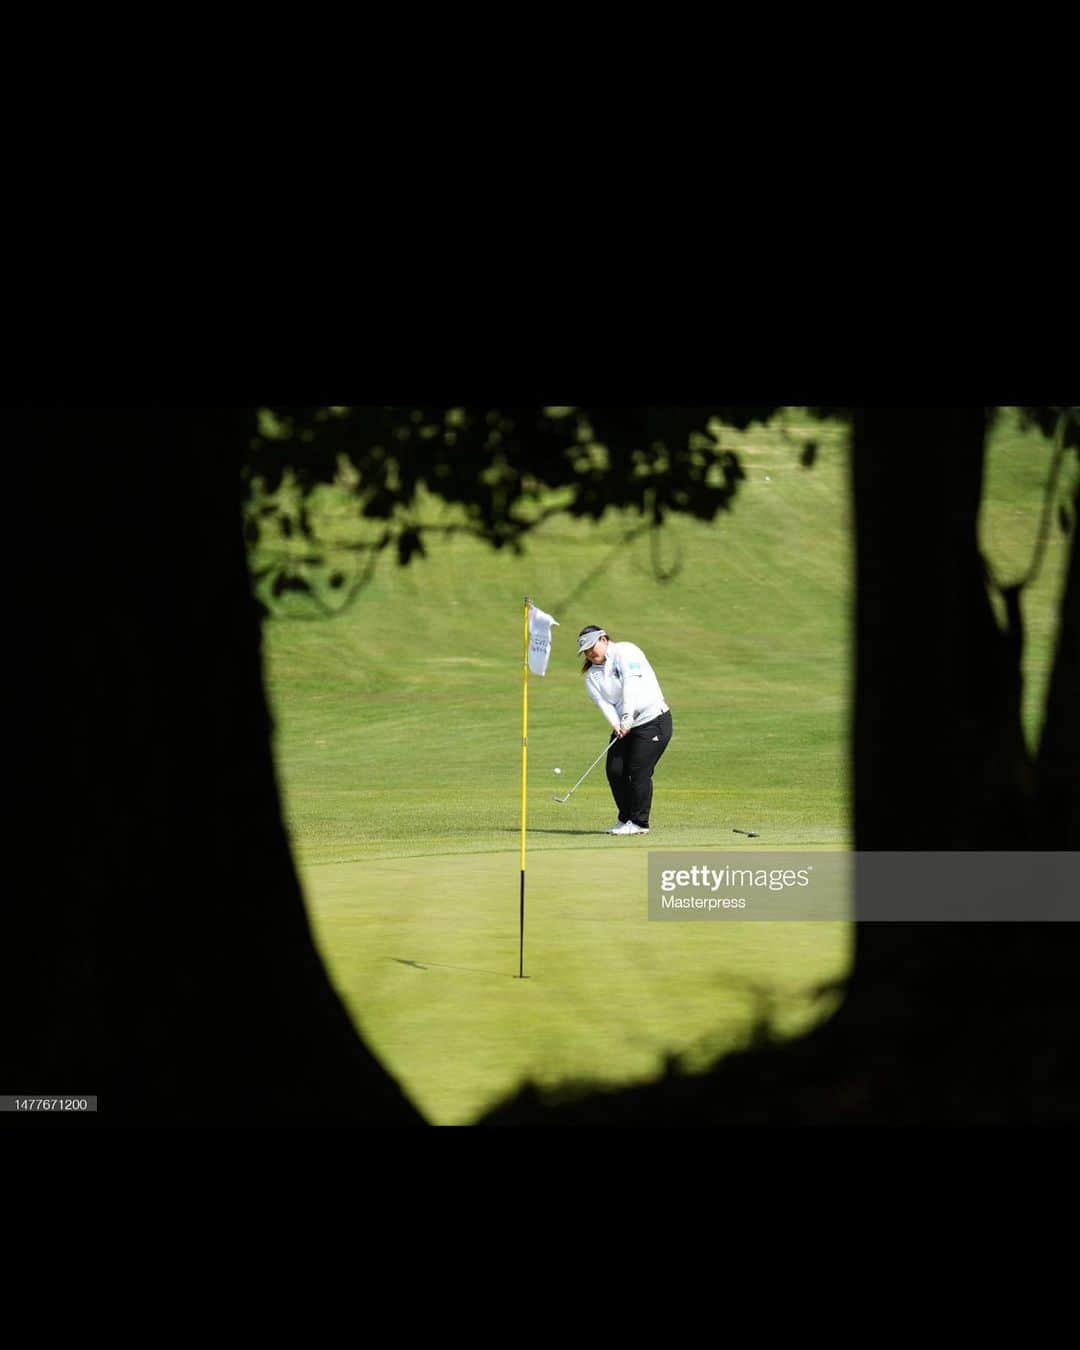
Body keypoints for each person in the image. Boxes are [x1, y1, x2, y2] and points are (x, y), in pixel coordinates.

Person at [577, 625, 673, 835]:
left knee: (638, 771)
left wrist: (628, 716)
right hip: (625, 727)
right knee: (615, 770)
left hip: (653, 720)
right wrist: (618, 724)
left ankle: (639, 823)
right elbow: (605, 704)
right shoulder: (592, 676)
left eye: (592, 647)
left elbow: (631, 684)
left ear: (603, 639)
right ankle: (626, 818)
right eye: (585, 651)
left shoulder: (626, 651)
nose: (590, 653)